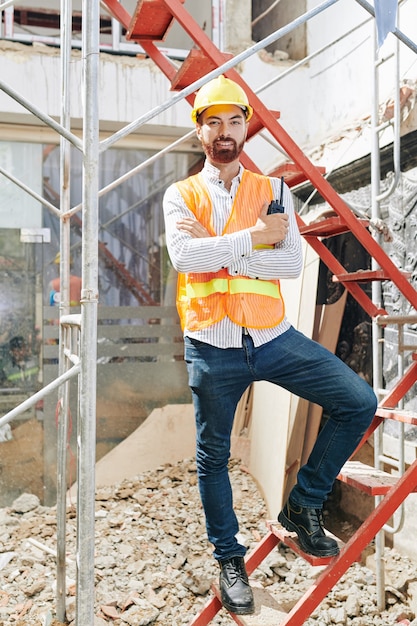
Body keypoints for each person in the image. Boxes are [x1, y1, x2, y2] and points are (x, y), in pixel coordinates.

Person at [162, 75, 377, 616]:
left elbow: (288, 261)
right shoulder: (181, 195)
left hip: (273, 338)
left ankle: (303, 508)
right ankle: (229, 560)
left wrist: (230, 251)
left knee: (357, 401)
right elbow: (185, 260)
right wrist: (254, 238)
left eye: (234, 121)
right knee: (213, 459)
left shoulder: (273, 190)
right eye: (214, 122)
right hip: (212, 346)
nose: (225, 132)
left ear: (245, 126)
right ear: (200, 132)